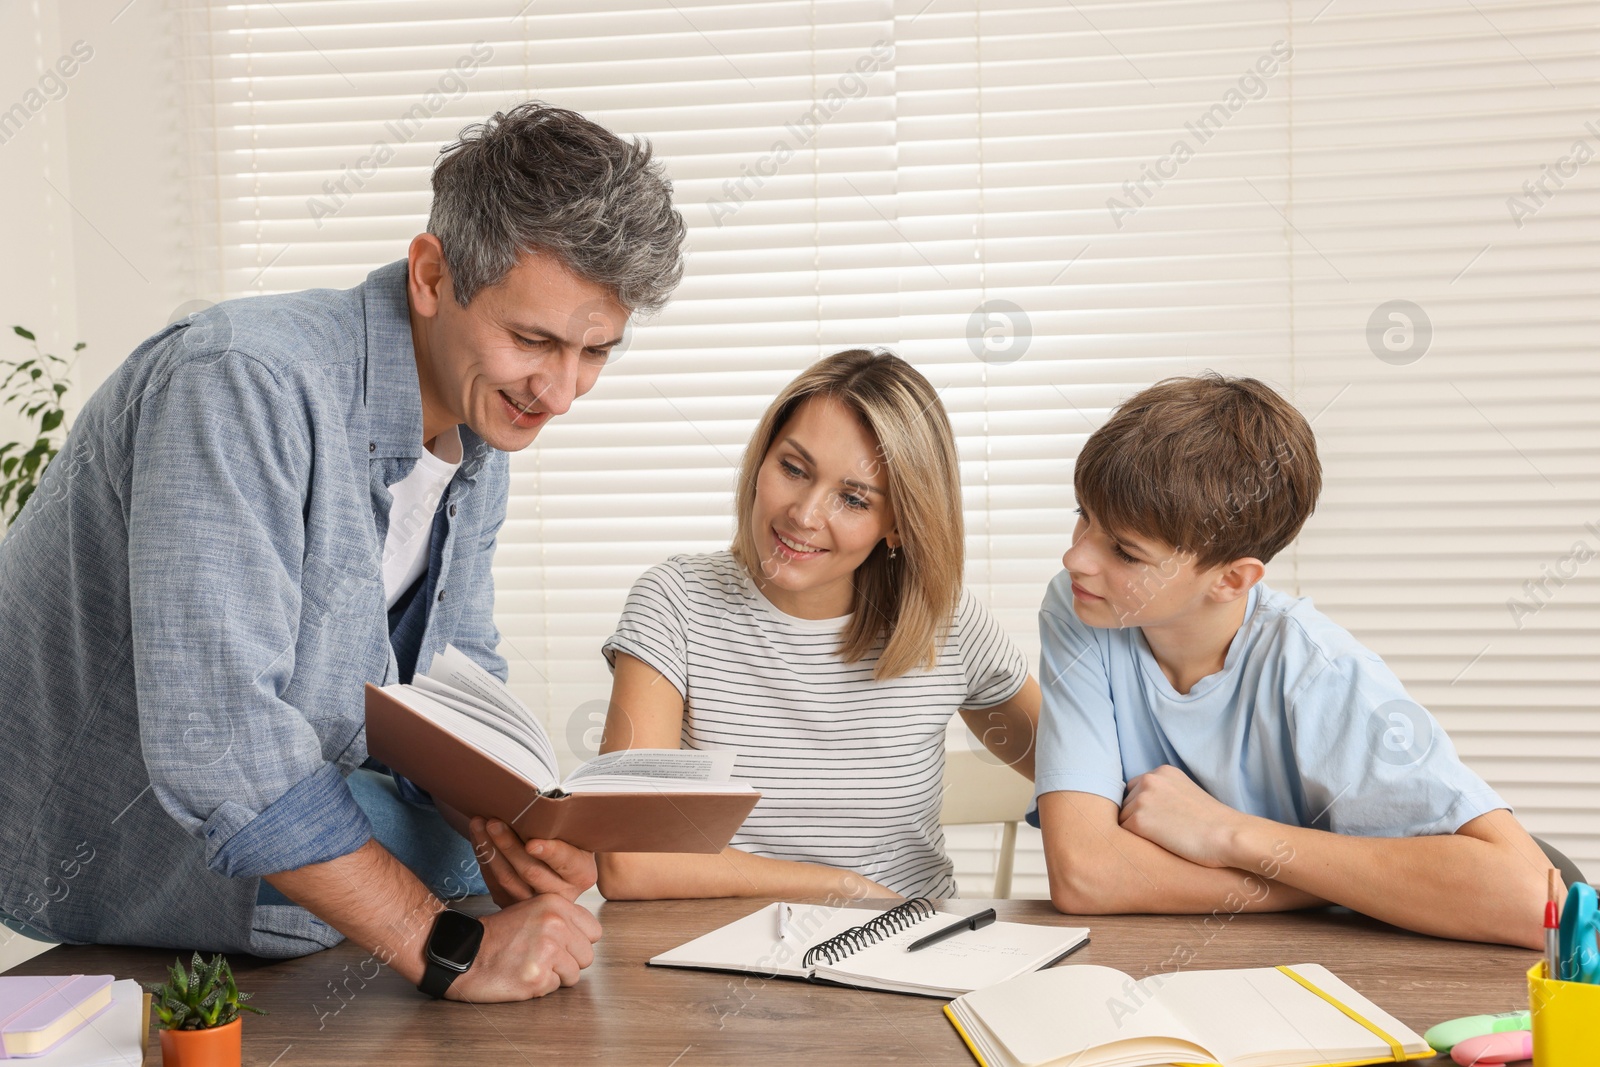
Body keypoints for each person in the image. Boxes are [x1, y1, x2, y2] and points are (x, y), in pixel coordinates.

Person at [0, 103, 686, 1001]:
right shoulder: (243, 380)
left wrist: (497, 819)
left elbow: (449, 675)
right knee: (437, 894)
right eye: (533, 340)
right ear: (432, 275)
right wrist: (447, 946)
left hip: (295, 791)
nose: (560, 391)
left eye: (597, 350)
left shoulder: (481, 430)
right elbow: (222, 741)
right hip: (117, 830)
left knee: (532, 870)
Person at [1032, 372, 1548, 948]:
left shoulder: (1319, 672)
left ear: (1232, 579)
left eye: (1125, 551)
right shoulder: (1081, 608)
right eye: (1084, 515)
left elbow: (1532, 900)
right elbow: (1086, 875)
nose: (1076, 555)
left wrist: (1231, 835)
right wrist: (1323, 886)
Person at [572, 349, 1039, 901]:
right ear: (762, 459)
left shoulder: (947, 623)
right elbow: (632, 858)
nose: (805, 514)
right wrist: (844, 888)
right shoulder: (676, 603)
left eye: (853, 498)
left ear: (899, 525)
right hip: (713, 963)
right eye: (793, 469)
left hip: (907, 956)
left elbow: (1093, 784)